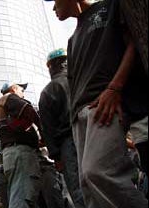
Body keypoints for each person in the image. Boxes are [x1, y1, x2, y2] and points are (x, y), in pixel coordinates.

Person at [49, 0, 148, 207]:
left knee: (100, 172)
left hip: (102, 106)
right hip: (78, 115)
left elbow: (134, 42)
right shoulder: (72, 38)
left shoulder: (111, 7)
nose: (52, 7)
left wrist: (115, 88)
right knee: (87, 184)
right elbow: (74, 81)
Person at [38, 48, 85, 208]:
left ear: (51, 67)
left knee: (77, 188)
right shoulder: (82, 78)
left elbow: (48, 128)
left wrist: (56, 156)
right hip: (92, 133)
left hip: (68, 143)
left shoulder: (47, 92)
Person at [0, 82, 42, 208]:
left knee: (20, 196)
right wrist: (43, 133)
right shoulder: (9, 97)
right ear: (14, 89)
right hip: (20, 153)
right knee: (22, 199)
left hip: (15, 153)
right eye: (22, 90)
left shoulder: (5, 104)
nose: (23, 93)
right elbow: (30, 111)